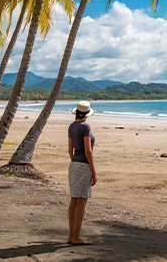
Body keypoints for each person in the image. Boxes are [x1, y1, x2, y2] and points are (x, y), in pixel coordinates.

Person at [67, 101, 96, 245]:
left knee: (74, 200)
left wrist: (75, 162)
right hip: (84, 165)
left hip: (74, 165)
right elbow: (88, 151)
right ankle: (76, 237)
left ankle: (71, 235)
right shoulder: (85, 127)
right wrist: (93, 171)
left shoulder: (71, 126)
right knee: (82, 202)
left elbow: (70, 150)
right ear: (86, 114)